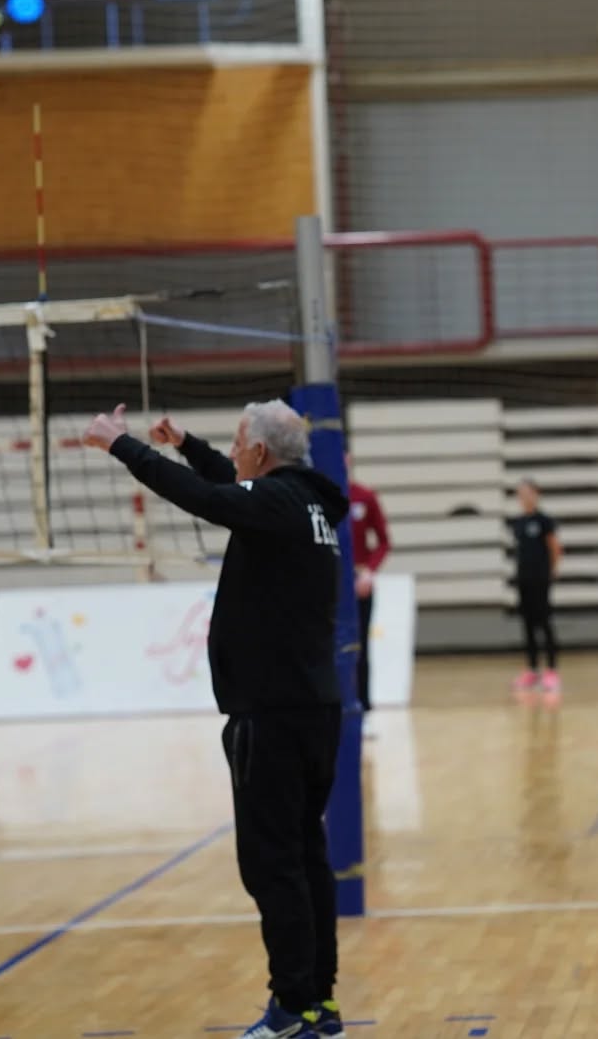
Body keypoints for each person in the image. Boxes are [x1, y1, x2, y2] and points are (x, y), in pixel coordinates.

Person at [85, 403, 349, 1039]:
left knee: (272, 865)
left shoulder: (276, 503)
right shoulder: (305, 503)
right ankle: (317, 1006)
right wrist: (186, 443)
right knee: (304, 856)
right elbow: (229, 485)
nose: (232, 453)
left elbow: (208, 498)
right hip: (311, 710)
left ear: (259, 452)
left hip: (272, 715)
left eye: (236, 443)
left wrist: (124, 446)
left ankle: (292, 1010)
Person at [346, 453, 390, 712]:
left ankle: (363, 706)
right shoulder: (320, 496)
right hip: (331, 581)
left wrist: (369, 572)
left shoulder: (364, 496)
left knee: (360, 646)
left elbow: (383, 541)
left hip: (359, 581)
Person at [511, 479, 562, 692]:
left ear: (536, 494)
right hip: (524, 580)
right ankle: (532, 670)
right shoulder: (518, 522)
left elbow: (555, 547)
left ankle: (551, 671)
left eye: (527, 493)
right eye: (520, 494)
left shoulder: (544, 521)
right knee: (528, 625)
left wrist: (551, 572)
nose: (524, 497)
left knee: (544, 623)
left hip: (541, 580)